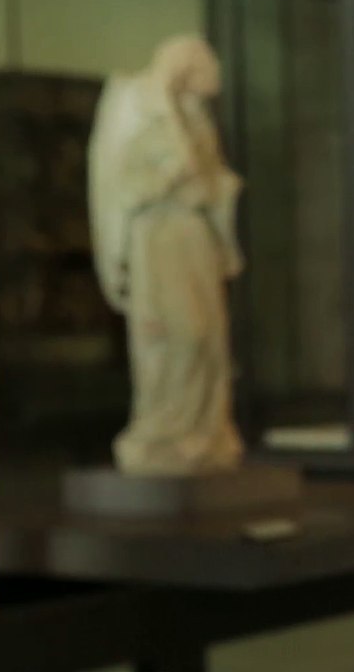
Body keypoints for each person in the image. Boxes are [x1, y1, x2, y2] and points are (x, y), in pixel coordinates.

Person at [88, 36, 245, 475]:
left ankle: (203, 434)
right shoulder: (147, 123)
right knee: (180, 335)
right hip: (160, 239)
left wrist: (218, 187)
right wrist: (167, 176)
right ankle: (162, 430)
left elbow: (212, 180)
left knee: (211, 340)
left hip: (196, 237)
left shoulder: (198, 122)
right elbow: (124, 187)